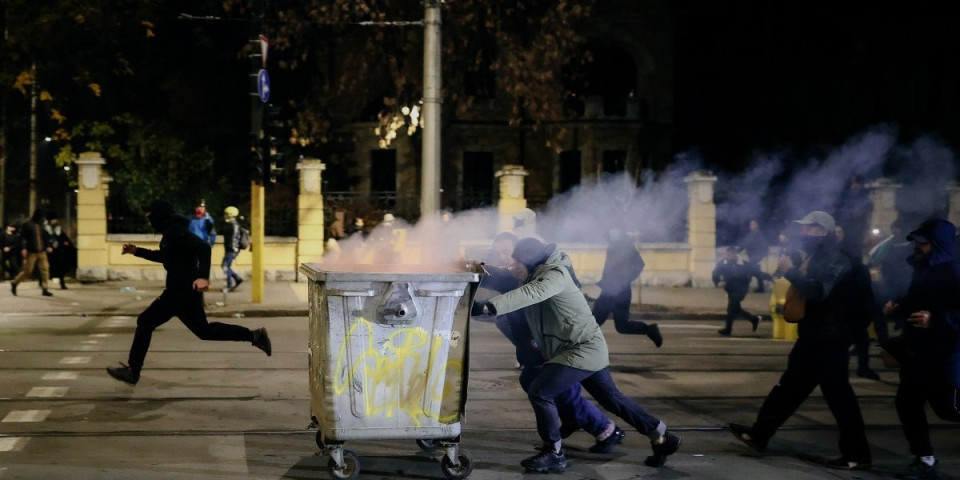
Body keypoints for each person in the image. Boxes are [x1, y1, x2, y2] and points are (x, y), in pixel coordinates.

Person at [475, 237, 681, 473]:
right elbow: (502, 273)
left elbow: (529, 294)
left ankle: (553, 452)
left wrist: (485, 306)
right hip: (579, 348)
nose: (512, 266)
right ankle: (662, 437)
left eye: (516, 262)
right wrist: (474, 266)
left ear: (530, 262)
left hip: (581, 349)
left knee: (541, 391)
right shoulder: (531, 273)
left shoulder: (554, 276)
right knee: (612, 399)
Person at [727, 211, 872, 471]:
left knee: (840, 398)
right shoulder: (817, 256)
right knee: (789, 389)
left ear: (823, 232)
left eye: (809, 229)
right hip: (815, 336)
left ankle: (858, 455)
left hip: (831, 339)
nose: (804, 233)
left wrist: (791, 272)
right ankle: (760, 435)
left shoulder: (837, 260)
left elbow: (818, 292)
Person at [106, 199, 272, 386]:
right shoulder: (171, 233)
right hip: (184, 292)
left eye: (150, 213)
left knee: (145, 321)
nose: (147, 217)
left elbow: (203, 247)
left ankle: (133, 371)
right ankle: (254, 336)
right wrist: (137, 251)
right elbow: (165, 256)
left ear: (159, 214)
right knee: (204, 331)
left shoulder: (174, 232)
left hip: (180, 291)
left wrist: (202, 276)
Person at [881, 218, 960, 480]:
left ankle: (924, 459)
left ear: (937, 244)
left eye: (923, 242)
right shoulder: (924, 268)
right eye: (917, 241)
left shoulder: (953, 272)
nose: (918, 246)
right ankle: (924, 458)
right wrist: (899, 307)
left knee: (947, 409)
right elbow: (919, 301)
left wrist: (934, 320)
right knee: (907, 402)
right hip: (919, 352)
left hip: (945, 353)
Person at [591, 229, 662, 347]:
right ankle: (650, 330)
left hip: (617, 291)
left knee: (593, 323)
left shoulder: (626, 246)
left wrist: (625, 279)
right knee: (621, 326)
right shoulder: (613, 245)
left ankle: (578, 352)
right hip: (612, 290)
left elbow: (639, 264)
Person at [713, 247, 761, 336]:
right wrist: (718, 282)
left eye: (729, 255)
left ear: (735, 255)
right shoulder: (723, 263)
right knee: (735, 309)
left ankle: (728, 329)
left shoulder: (744, 264)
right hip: (730, 290)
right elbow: (715, 273)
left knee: (731, 307)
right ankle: (754, 319)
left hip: (741, 290)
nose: (726, 257)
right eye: (726, 254)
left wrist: (770, 278)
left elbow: (757, 273)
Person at [10, 209, 53, 297]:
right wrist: (23, 248)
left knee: (45, 269)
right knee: (27, 271)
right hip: (31, 251)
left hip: (42, 251)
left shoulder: (41, 225)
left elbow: (45, 237)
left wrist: (48, 245)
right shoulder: (27, 224)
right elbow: (22, 237)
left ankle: (45, 288)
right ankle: (15, 282)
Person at [740, 219, 773, 292]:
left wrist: (759, 255)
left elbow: (763, 246)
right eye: (751, 224)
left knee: (750, 271)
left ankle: (768, 278)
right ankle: (761, 287)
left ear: (757, 225)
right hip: (754, 256)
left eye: (753, 224)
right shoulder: (754, 234)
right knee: (756, 272)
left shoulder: (757, 234)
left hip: (755, 256)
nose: (751, 226)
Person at [46, 215, 74, 290]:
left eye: (55, 219)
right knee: (47, 268)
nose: (55, 221)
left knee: (60, 267)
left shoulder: (58, 228)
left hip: (58, 251)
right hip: (49, 251)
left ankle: (62, 283)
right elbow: (44, 239)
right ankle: (43, 283)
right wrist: (47, 247)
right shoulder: (46, 229)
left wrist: (66, 241)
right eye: (53, 220)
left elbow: (63, 237)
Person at [221, 206, 244, 292]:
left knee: (225, 266)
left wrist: (230, 249)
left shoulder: (232, 225)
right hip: (232, 249)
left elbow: (231, 239)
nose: (225, 216)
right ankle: (237, 278)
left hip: (231, 250)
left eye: (226, 214)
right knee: (225, 266)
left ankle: (229, 285)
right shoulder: (234, 224)